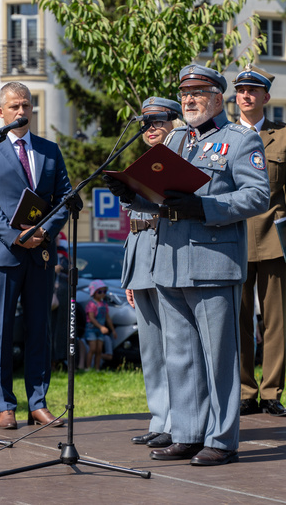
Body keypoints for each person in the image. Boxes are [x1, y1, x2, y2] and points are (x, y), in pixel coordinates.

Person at [107, 65, 270, 466]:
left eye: (198, 92)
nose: (189, 100)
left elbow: (258, 196)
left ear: (218, 98)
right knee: (179, 355)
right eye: (185, 94)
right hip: (169, 259)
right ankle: (187, 432)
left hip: (213, 261)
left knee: (218, 357)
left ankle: (221, 438)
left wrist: (207, 206)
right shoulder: (176, 139)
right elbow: (159, 196)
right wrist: (130, 194)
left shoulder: (240, 139)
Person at [0, 81, 71, 430]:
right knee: (0, 330)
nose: (21, 112)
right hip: (2, 254)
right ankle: (4, 405)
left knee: (40, 328)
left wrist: (45, 232)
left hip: (41, 252)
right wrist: (16, 236)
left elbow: (65, 197)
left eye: (26, 106)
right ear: (0, 112)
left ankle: (38, 402)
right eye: (14, 107)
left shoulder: (48, 150)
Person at [232, 65, 286, 418]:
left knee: (274, 320)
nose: (246, 95)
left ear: (266, 97)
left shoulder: (285, 136)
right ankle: (245, 390)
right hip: (233, 236)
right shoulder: (224, 136)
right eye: (241, 90)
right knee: (239, 317)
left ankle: (272, 392)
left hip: (275, 236)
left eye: (253, 90)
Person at [119, 96, 179, 448]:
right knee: (151, 349)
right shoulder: (143, 161)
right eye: (146, 123)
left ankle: (178, 421)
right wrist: (130, 274)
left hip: (167, 254)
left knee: (175, 347)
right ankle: (160, 418)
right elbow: (134, 223)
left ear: (174, 123)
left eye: (158, 122)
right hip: (142, 255)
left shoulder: (179, 159)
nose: (150, 129)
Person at [83, 280, 115, 371]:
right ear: (93, 293)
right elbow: (91, 318)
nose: (102, 294)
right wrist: (101, 327)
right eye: (100, 292)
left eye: (104, 292)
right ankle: (88, 367)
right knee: (92, 349)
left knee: (99, 350)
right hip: (92, 329)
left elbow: (107, 318)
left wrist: (113, 330)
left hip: (100, 330)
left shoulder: (104, 304)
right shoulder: (91, 304)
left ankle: (97, 368)